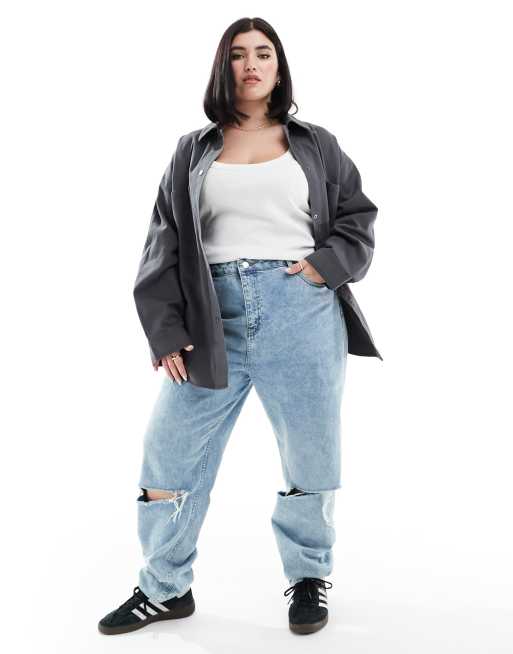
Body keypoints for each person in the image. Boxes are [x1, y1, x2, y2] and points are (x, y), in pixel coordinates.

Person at [98, 16, 380, 637]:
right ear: (222, 67)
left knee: (309, 456)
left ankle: (308, 579)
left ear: (279, 66)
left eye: (263, 53)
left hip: (300, 311)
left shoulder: (316, 144)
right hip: (210, 317)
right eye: (237, 54)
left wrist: (325, 266)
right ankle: (165, 588)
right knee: (168, 453)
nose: (251, 64)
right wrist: (165, 331)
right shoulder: (192, 150)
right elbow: (162, 243)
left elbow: (357, 217)